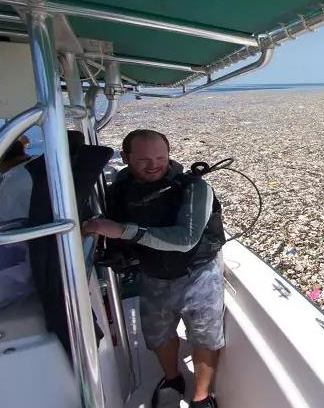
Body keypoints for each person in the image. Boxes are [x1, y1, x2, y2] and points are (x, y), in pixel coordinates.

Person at [84, 129, 225, 408]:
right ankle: (172, 379)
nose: (154, 165)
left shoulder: (194, 188)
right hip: (152, 272)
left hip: (198, 274)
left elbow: (186, 240)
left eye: (161, 157)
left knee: (204, 335)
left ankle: (201, 397)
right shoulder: (121, 189)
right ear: (125, 158)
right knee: (158, 334)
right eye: (143, 159)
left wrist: (123, 231)